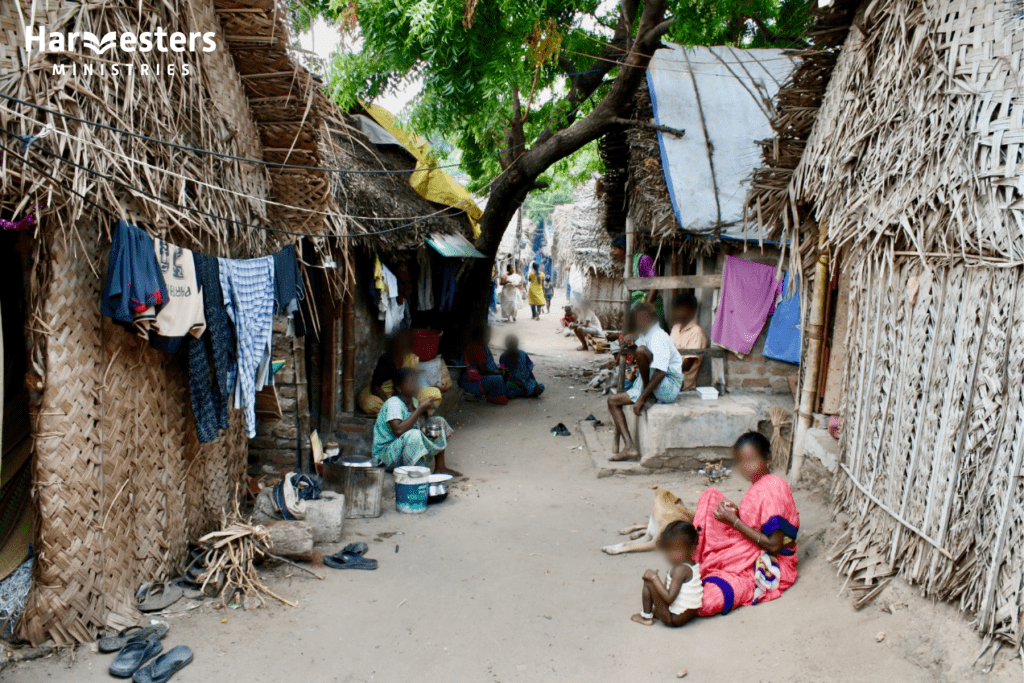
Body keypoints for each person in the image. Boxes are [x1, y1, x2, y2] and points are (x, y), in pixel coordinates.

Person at [691, 432, 799, 617]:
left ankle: (702, 567)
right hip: (750, 543)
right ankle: (696, 563)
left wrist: (734, 521)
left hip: (768, 560)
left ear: (768, 459)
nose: (746, 467)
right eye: (741, 462)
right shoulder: (761, 484)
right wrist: (736, 513)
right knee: (711, 497)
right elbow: (759, 521)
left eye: (752, 461)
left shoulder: (773, 488)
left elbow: (774, 545)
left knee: (708, 600)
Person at [607, 303, 683, 461]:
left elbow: (661, 371)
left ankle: (646, 396)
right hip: (653, 383)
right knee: (612, 401)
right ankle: (630, 447)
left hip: (668, 387)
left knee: (641, 352)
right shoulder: (646, 335)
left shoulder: (659, 337)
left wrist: (641, 398)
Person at [372, 369, 461, 476]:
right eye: (410, 382)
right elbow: (398, 430)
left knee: (437, 422)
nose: (414, 385)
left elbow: (418, 425)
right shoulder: (394, 403)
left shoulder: (413, 401)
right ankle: (412, 477)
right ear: (399, 388)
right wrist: (420, 409)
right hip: (386, 456)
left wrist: (426, 412)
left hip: (404, 447)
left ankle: (440, 467)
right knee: (414, 435)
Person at [631, 521, 702, 627]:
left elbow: (669, 598)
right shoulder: (690, 565)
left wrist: (654, 578)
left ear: (691, 549)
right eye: (669, 550)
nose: (671, 555)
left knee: (648, 582)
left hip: (673, 619)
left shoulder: (680, 570)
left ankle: (646, 617)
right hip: (689, 614)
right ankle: (655, 612)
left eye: (676, 550)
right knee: (654, 585)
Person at [358, 330, 442, 416]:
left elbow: (417, 384)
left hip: (409, 395)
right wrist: (390, 404)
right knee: (370, 404)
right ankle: (408, 412)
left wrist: (411, 400)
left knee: (434, 393)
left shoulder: (411, 358)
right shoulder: (386, 359)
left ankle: (409, 410)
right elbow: (375, 387)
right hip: (387, 394)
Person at [611, 235, 663, 324]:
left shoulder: (643, 260)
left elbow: (655, 284)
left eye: (615, 249)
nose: (613, 252)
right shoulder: (627, 267)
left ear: (623, 248)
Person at [460, 326, 517, 405]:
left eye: (489, 336)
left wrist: (500, 371)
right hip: (472, 382)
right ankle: (490, 396)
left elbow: (489, 366)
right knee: (498, 379)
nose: (488, 338)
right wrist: (499, 373)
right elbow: (483, 371)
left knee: (507, 377)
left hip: (479, 378)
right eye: (486, 336)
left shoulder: (484, 347)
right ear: (478, 336)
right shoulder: (476, 348)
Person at [669, 292, 709, 391]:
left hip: (681, 382)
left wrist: (661, 369)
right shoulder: (675, 328)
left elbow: (686, 366)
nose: (675, 312)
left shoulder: (697, 332)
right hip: (667, 375)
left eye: (678, 309)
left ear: (690, 310)